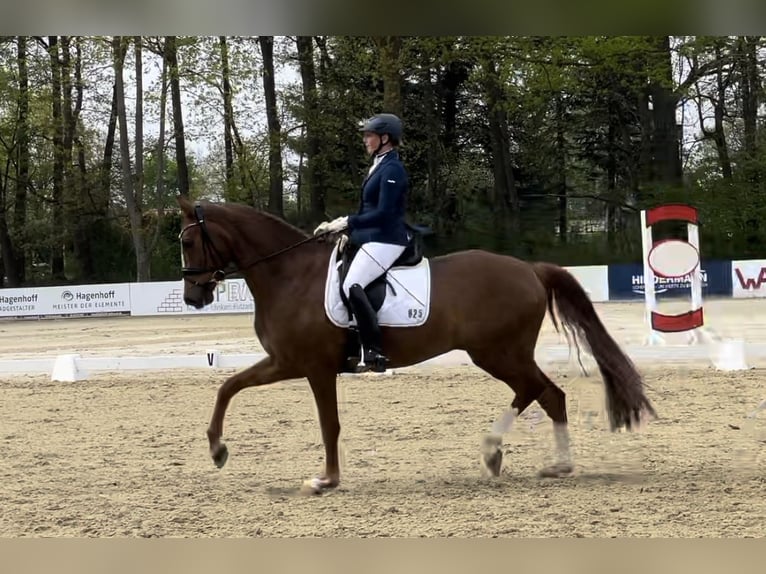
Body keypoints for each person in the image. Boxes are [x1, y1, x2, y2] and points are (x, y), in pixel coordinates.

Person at [314, 113, 410, 372]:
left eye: (369, 135)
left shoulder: (393, 169)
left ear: (385, 138)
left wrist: (347, 222)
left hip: (389, 239)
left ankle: (374, 351)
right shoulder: (379, 164)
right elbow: (369, 211)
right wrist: (348, 233)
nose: (365, 140)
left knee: (352, 283)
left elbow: (384, 214)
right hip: (373, 237)